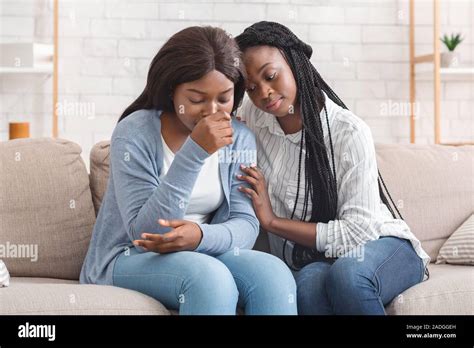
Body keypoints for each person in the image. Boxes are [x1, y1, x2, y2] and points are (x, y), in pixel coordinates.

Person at [80, 26, 297, 315]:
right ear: (172, 92)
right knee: (208, 279)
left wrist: (200, 236)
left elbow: (245, 225)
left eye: (224, 99)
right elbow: (144, 232)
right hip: (129, 255)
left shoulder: (240, 138)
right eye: (196, 100)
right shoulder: (134, 132)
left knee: (273, 275)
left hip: (202, 248)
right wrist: (195, 152)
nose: (212, 111)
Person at [235, 21, 430, 315]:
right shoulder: (253, 118)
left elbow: (358, 235)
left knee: (349, 275)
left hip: (382, 245)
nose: (264, 92)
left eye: (271, 76)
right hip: (318, 258)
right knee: (307, 288)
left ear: (295, 62)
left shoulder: (348, 132)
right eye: (251, 87)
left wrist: (272, 222)